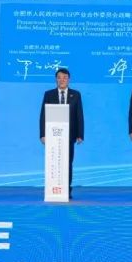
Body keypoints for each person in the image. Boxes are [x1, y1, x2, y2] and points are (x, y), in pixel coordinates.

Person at [39, 68, 84, 198]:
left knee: (67, 162)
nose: (62, 80)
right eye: (59, 77)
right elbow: (43, 115)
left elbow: (79, 115)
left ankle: (66, 189)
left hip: (70, 135)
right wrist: (42, 134)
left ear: (68, 79)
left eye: (65, 77)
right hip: (52, 135)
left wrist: (80, 134)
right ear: (56, 79)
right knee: (54, 161)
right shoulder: (49, 94)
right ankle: (53, 188)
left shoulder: (76, 94)